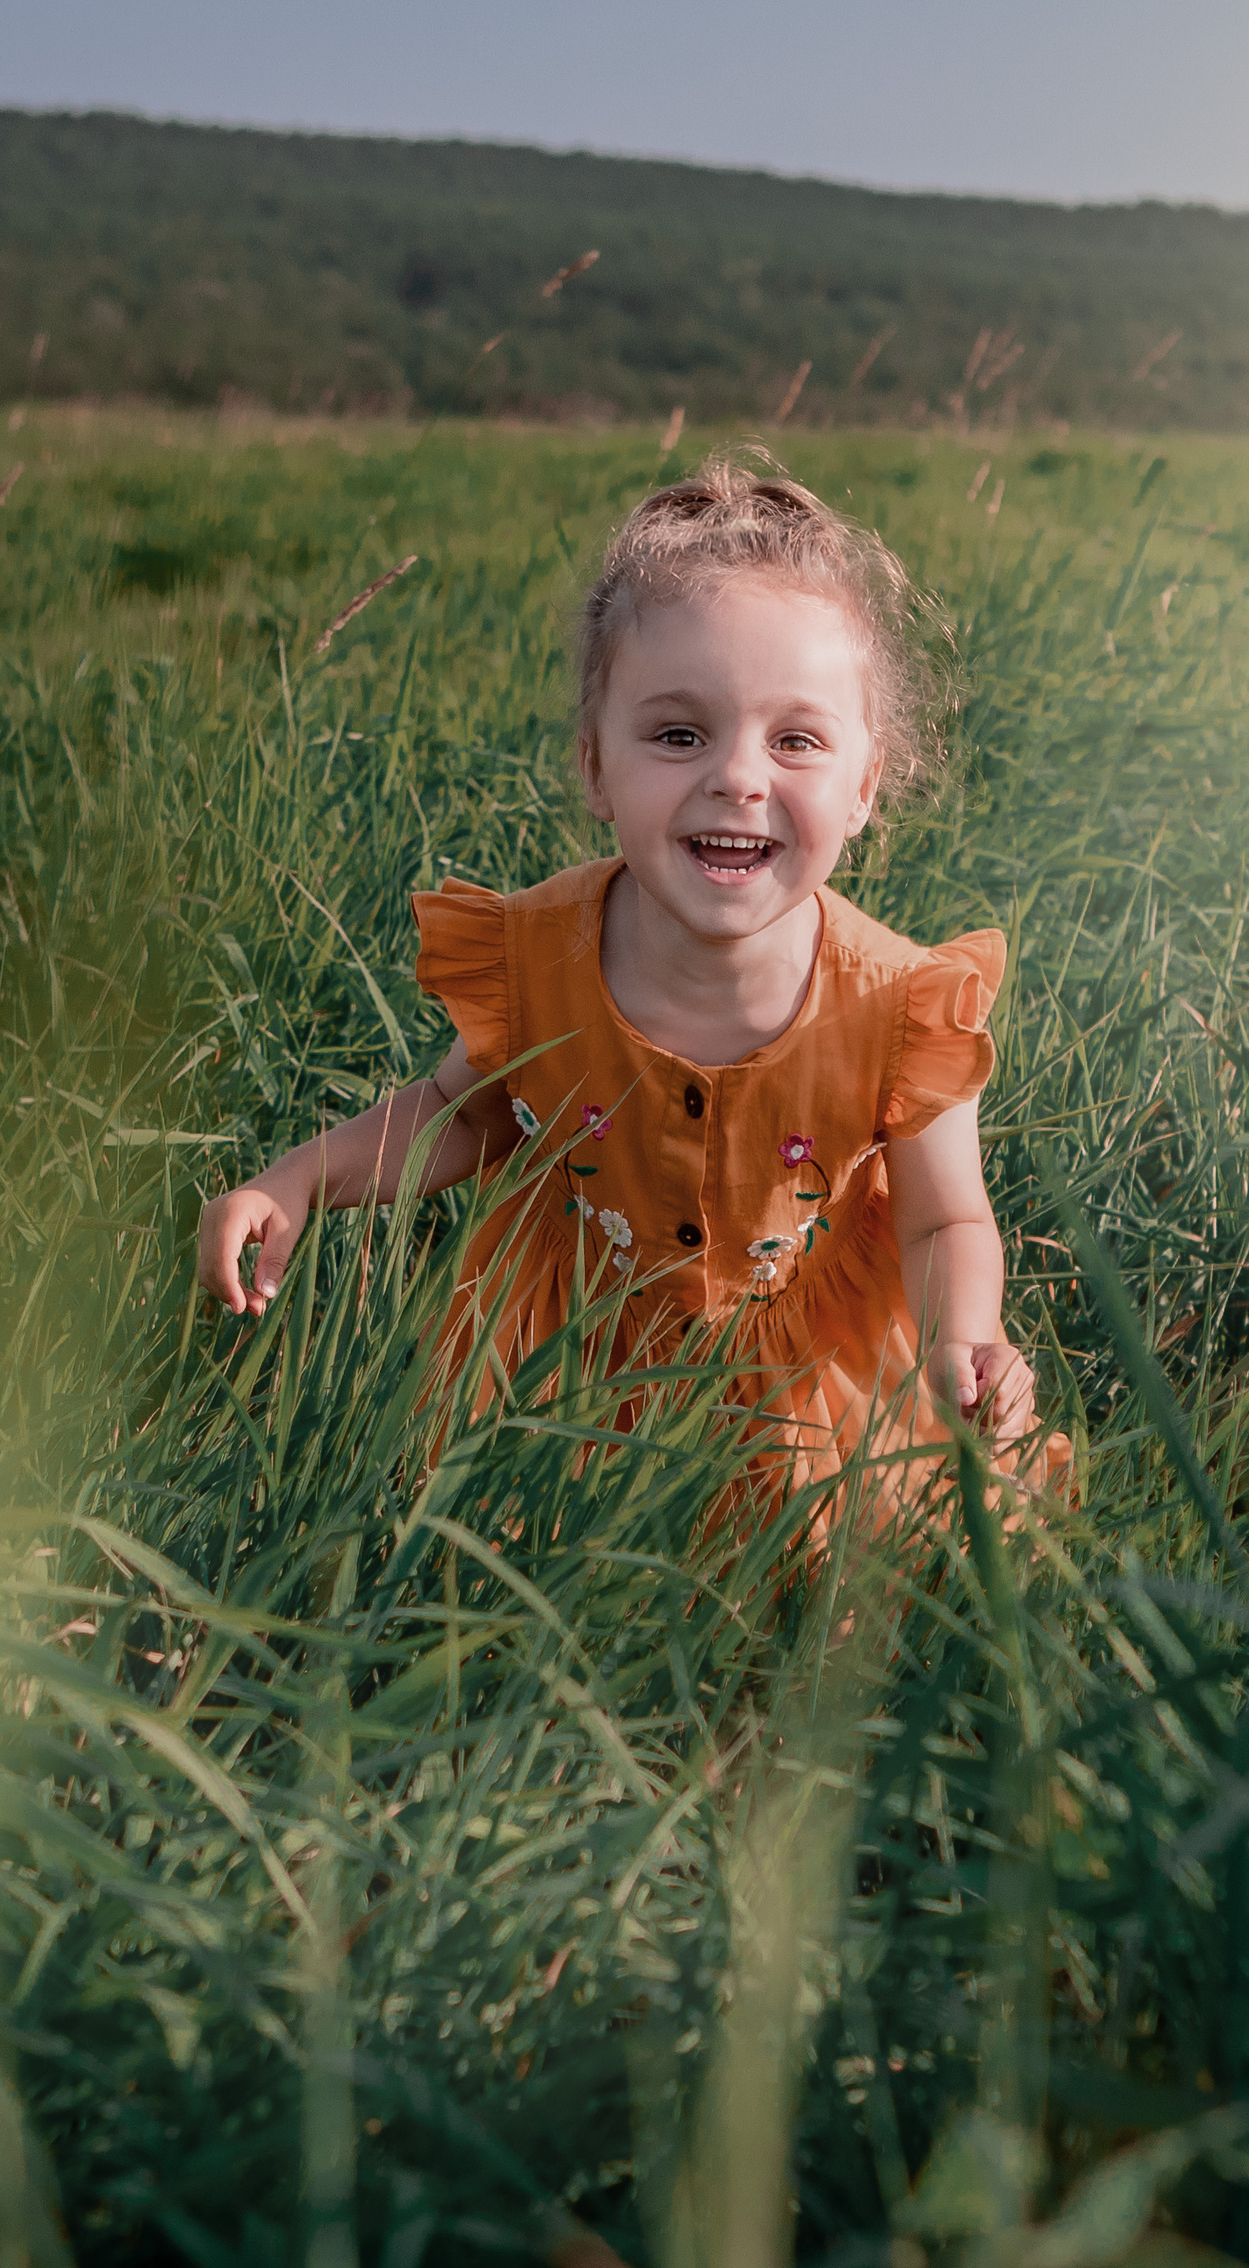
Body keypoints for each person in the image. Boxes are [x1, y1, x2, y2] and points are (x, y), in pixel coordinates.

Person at [195, 452, 1061, 1519]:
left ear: (866, 783)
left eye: (795, 739)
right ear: (596, 767)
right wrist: (294, 1182)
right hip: (578, 1357)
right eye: (678, 733)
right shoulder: (545, 960)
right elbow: (459, 1116)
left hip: (810, 1372)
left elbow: (944, 1222)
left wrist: (964, 1334)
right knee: (513, 1550)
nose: (738, 776)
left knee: (856, 1563)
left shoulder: (900, 1003)